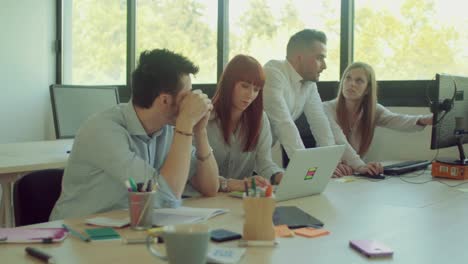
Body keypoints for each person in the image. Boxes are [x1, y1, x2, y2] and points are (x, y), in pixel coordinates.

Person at [50, 49, 219, 220]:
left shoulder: (167, 129)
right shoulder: (103, 130)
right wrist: (186, 122)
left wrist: (200, 131)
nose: (193, 101)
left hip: (130, 229)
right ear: (165, 100)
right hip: (76, 233)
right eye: (187, 95)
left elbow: (210, 187)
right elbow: (164, 197)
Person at [323, 62, 433, 177]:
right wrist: (360, 166)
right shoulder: (326, 108)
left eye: (359, 81)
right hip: (328, 169)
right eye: (348, 78)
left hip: (352, 174)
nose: (351, 84)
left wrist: (425, 120)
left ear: (367, 89)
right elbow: (339, 141)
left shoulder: (373, 110)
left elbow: (396, 119)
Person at [263, 29, 336, 183]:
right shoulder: (273, 72)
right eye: (319, 58)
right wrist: (306, 170)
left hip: (261, 157)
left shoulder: (308, 84)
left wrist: (331, 164)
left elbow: (320, 123)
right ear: (299, 57)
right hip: (235, 154)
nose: (324, 66)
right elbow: (284, 124)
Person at [208, 54, 284, 192]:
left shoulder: (260, 119)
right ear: (229, 84)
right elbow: (192, 170)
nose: (250, 95)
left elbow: (264, 163)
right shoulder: (204, 119)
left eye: (256, 89)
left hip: (239, 199)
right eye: (245, 86)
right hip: (199, 199)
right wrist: (230, 184)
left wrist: (279, 176)